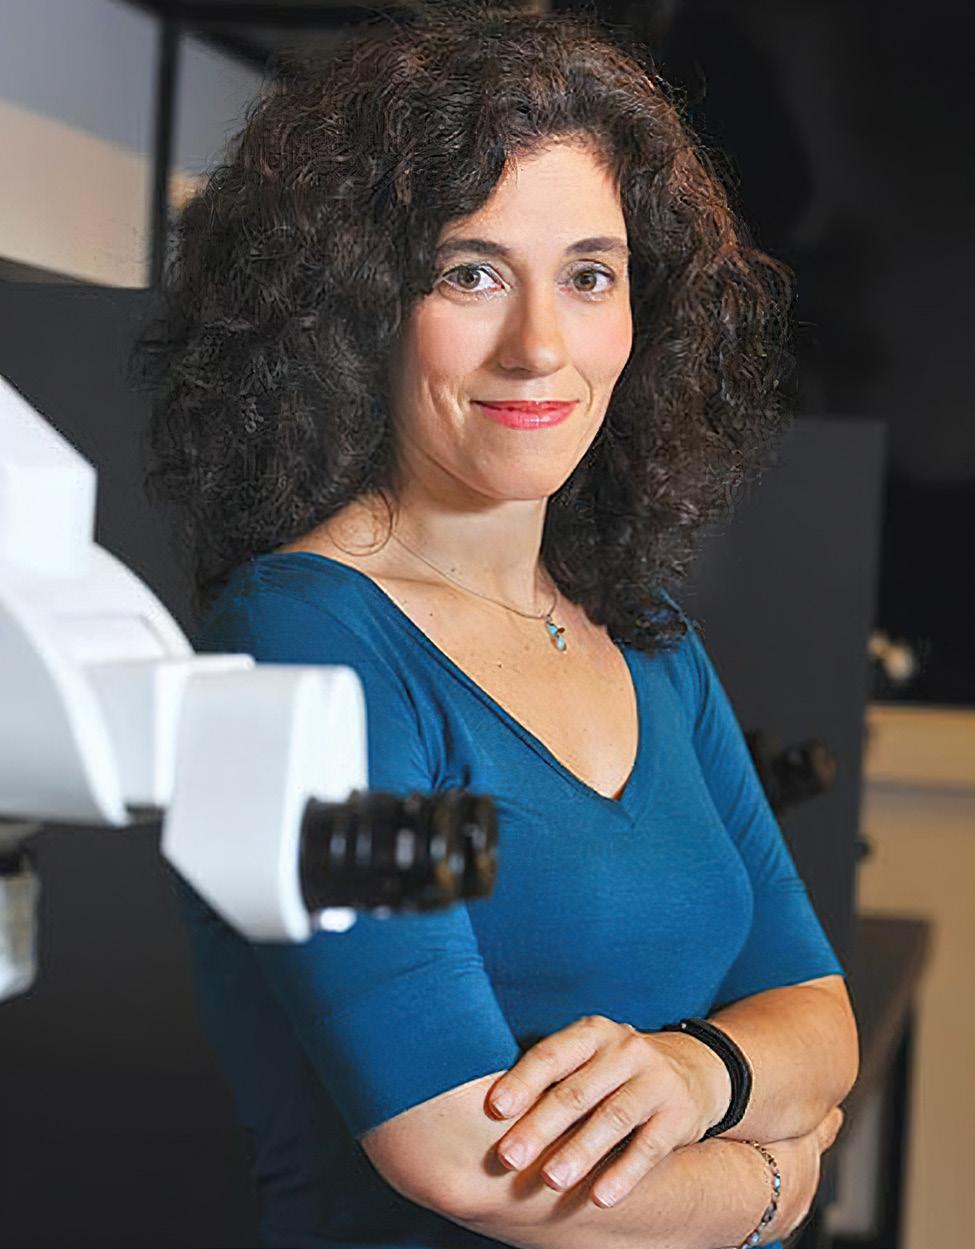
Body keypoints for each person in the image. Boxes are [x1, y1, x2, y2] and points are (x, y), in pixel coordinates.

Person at [131, 4, 857, 1247]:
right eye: (470, 272)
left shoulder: (647, 638)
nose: (539, 346)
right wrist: (774, 1183)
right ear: (357, 302)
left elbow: (817, 1012)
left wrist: (698, 1074)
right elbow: (464, 1152)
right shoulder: (312, 652)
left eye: (589, 275)